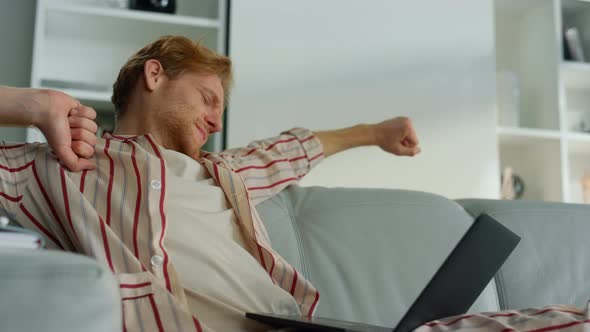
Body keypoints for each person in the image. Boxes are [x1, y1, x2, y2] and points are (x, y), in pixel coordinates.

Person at [0, 36, 586, 332]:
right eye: (208, 98)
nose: (216, 120)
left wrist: (374, 133)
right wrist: (32, 104)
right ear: (155, 75)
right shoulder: (68, 164)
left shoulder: (223, 172)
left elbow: (289, 152)